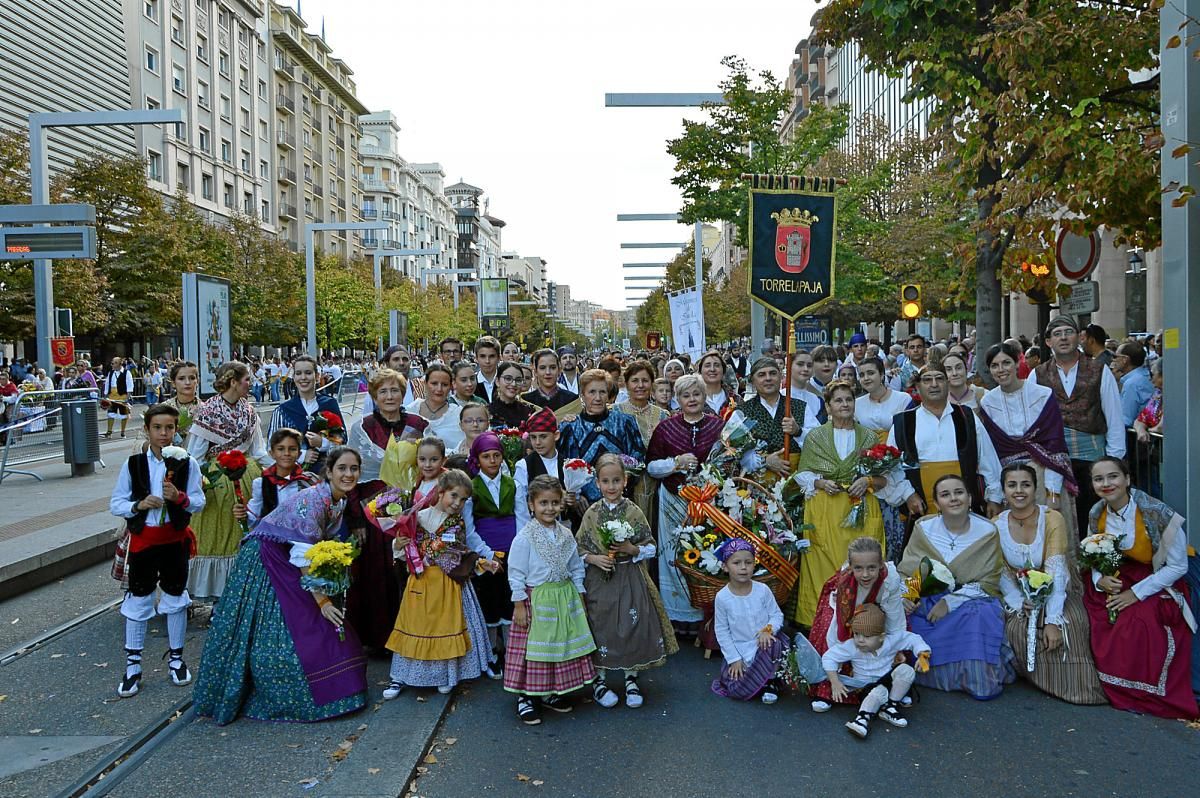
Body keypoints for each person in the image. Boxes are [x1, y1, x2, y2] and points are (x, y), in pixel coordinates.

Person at [193, 447, 369, 725]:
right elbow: (303, 554)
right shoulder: (314, 500)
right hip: (267, 558)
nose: (348, 474)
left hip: (289, 556)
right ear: (329, 472)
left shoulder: (338, 501)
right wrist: (322, 601)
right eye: (342, 469)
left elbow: (322, 547)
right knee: (291, 622)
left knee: (308, 620)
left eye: (354, 469)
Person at [1082, 457, 1198, 718]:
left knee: (1139, 620)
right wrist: (1100, 578)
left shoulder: (1157, 513)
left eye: (1113, 476)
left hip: (1159, 574)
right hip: (1121, 574)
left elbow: (1177, 567)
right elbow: (1092, 552)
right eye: (1099, 479)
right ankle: (1112, 685)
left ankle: (1146, 693)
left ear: (1128, 480)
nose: (1106, 483)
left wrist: (1135, 594)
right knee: (1098, 612)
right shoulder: (1096, 512)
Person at [110, 404, 206, 698]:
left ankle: (176, 659)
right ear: (147, 430)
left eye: (169, 428)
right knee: (139, 598)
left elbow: (199, 501)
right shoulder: (133, 464)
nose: (164, 434)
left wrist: (180, 497)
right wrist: (138, 505)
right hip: (144, 540)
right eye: (157, 428)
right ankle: (133, 665)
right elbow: (116, 503)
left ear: (177, 430)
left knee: (176, 597)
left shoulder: (187, 463)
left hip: (174, 539)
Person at [792, 381, 907, 626]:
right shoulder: (816, 436)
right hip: (825, 508)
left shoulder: (868, 436)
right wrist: (821, 484)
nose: (844, 404)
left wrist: (866, 481)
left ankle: (865, 622)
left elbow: (883, 479)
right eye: (838, 400)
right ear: (828, 406)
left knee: (861, 563)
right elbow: (803, 474)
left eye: (849, 400)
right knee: (823, 567)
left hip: (860, 508)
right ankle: (820, 624)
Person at [994, 464, 1107, 704]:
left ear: (1036, 489)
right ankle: (1043, 680)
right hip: (1018, 593)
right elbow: (1001, 572)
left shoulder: (1052, 518)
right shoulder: (995, 525)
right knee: (1018, 627)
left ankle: (1079, 689)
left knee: (1073, 623)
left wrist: (1052, 620)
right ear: (1003, 490)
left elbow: (1057, 570)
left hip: (1058, 587)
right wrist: (1018, 602)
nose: (1019, 491)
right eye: (1012, 485)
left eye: (1026, 484)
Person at [384, 469, 502, 698]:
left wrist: (481, 563)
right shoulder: (416, 517)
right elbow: (402, 553)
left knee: (446, 627)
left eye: (464, 499)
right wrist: (399, 544)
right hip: (422, 580)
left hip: (448, 584)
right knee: (416, 626)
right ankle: (400, 676)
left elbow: (460, 552)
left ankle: (443, 675)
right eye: (454, 496)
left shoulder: (456, 523)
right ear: (440, 492)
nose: (458, 503)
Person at [900, 474, 1015, 700]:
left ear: (970, 498)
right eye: (945, 494)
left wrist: (949, 602)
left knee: (978, 614)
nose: (953, 498)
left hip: (970, 597)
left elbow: (988, 581)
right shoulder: (924, 527)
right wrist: (908, 596)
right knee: (908, 616)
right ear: (936, 503)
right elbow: (912, 569)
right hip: (928, 595)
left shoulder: (987, 531)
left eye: (959, 492)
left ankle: (972, 679)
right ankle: (918, 673)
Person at [575, 454, 677, 708]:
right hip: (600, 579)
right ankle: (600, 680)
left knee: (631, 622)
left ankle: (631, 677)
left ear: (625, 481)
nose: (611, 486)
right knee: (601, 624)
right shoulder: (591, 513)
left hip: (629, 576)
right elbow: (578, 549)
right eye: (606, 481)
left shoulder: (633, 511)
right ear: (597, 483)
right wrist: (595, 559)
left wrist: (633, 550)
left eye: (616, 480)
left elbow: (651, 546)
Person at [504, 474, 597, 725]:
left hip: (563, 597)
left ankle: (549, 691)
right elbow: (516, 573)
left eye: (554, 503)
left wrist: (579, 593)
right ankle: (526, 696)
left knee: (558, 644)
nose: (549, 508)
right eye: (543, 503)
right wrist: (519, 604)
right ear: (531, 505)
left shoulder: (566, 534)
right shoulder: (525, 537)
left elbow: (576, 566)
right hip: (536, 599)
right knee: (533, 648)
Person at [646, 375, 726, 631]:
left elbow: (730, 460)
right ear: (677, 399)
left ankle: (708, 618)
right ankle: (677, 617)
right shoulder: (666, 428)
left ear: (704, 397)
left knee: (707, 553)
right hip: (672, 502)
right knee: (674, 556)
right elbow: (651, 466)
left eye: (696, 394)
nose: (692, 400)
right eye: (686, 395)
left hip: (708, 503)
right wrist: (675, 463)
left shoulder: (718, 426)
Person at [185, 362, 271, 599]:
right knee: (217, 534)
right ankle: (217, 596)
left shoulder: (249, 411)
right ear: (233, 381)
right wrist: (198, 482)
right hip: (217, 481)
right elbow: (195, 454)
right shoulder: (209, 410)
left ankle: (240, 590)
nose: (250, 384)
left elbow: (258, 450)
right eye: (246, 380)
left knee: (243, 531)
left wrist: (280, 469)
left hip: (247, 476)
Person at [1034, 316, 1125, 536]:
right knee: (1057, 521)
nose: (1063, 338)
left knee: (1095, 521)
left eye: (1068, 332)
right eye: (1057, 333)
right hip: (1052, 461)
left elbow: (1114, 418)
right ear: (1048, 342)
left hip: (1092, 460)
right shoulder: (1036, 375)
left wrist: (1113, 461)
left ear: (1079, 337)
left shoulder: (1099, 371)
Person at [888, 364, 1004, 519]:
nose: (934, 384)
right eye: (927, 380)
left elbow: (987, 458)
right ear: (917, 386)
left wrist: (994, 497)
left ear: (948, 383)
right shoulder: (903, 422)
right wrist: (908, 494)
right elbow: (892, 466)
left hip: (965, 506)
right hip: (921, 507)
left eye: (939, 379)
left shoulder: (966, 416)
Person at [978, 341, 1076, 517]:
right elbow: (992, 453)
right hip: (1009, 483)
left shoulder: (1042, 394)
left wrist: (1052, 492)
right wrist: (997, 495)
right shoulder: (987, 402)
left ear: (1017, 363)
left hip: (1044, 476)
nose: (1001, 369)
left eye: (1006, 363)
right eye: (994, 365)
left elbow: (1054, 445)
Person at [808, 537, 906, 712]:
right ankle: (828, 690)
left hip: (874, 607)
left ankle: (890, 686)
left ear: (881, 565)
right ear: (851, 567)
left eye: (871, 568)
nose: (866, 574)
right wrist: (836, 664)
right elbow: (838, 630)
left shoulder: (890, 581)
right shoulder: (844, 587)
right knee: (830, 631)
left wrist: (896, 648)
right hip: (842, 611)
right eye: (859, 568)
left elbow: (895, 618)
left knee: (879, 630)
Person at [821, 603, 930, 738]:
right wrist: (835, 682)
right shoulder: (851, 647)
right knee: (880, 690)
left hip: (888, 683)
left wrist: (922, 655)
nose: (860, 640)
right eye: (856, 634)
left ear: (881, 636)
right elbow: (829, 657)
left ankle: (890, 706)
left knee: (906, 670)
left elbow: (913, 639)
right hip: (865, 688)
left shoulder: (891, 641)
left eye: (867, 636)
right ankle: (862, 719)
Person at [710, 539, 787, 704]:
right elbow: (722, 631)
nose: (743, 567)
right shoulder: (722, 598)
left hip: (763, 645)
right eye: (736, 563)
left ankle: (770, 682)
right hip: (740, 650)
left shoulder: (762, 590)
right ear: (725, 567)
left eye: (748, 562)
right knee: (736, 689)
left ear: (754, 565)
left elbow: (776, 615)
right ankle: (755, 679)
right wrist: (734, 659)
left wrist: (768, 630)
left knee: (774, 644)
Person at [468, 432, 520, 665]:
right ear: (477, 459)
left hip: (512, 551)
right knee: (489, 599)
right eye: (486, 456)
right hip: (485, 554)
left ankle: (511, 649)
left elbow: (522, 518)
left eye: (496, 455)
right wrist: (488, 554)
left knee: (510, 598)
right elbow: (469, 529)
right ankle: (491, 652)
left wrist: (518, 549)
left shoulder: (513, 484)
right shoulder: (471, 487)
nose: (492, 461)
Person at [559, 369, 646, 501]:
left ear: (608, 395)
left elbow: (638, 458)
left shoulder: (625, 422)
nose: (598, 398)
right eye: (592, 392)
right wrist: (578, 496)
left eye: (602, 392)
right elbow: (565, 466)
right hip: (583, 506)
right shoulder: (570, 427)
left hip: (621, 499)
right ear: (582, 395)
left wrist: (619, 487)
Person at [739, 356, 816, 482]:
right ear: (753, 381)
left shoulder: (799, 406)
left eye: (773, 373)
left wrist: (798, 432)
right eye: (762, 375)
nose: (768, 378)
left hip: (795, 482)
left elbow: (819, 443)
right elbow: (732, 452)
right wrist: (764, 460)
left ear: (781, 377)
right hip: (756, 486)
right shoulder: (743, 411)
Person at [348, 368, 428, 483]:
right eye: (383, 391)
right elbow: (351, 468)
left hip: (414, 495)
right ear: (375, 398)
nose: (389, 397)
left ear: (403, 395)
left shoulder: (418, 423)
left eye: (395, 390)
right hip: (370, 496)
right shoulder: (362, 427)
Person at [268, 355, 344, 473]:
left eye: (308, 373)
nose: (303, 377)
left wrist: (323, 443)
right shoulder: (283, 410)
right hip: (293, 476)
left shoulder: (330, 404)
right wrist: (301, 455)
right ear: (294, 377)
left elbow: (343, 442)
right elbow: (271, 445)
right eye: (298, 373)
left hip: (326, 474)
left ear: (317, 376)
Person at [615, 360, 671, 524]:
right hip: (621, 485)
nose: (640, 385)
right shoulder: (614, 412)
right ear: (626, 384)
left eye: (645, 381)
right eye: (635, 381)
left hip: (655, 485)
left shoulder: (663, 416)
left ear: (652, 384)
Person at [237, 428, 320, 528]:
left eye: (292, 449)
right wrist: (243, 515)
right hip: (272, 539)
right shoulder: (262, 484)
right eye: (280, 449)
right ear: (272, 453)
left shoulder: (308, 482)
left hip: (303, 540)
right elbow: (254, 518)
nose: (286, 453)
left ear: (299, 454)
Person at [513, 407, 578, 531]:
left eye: (543, 436)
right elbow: (521, 508)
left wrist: (572, 502)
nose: (537, 442)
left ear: (556, 435)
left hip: (565, 528)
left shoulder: (568, 464)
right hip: (536, 528)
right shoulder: (524, 466)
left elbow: (574, 503)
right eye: (533, 437)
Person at [407, 363, 463, 451]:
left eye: (444, 384)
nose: (439, 389)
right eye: (434, 383)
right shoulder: (410, 411)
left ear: (450, 387)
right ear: (425, 383)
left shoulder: (459, 414)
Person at [522, 348, 580, 414]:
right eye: (542, 368)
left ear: (559, 370)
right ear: (535, 372)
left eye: (552, 367)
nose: (548, 372)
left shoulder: (572, 400)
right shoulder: (526, 401)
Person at [489, 361, 538, 430]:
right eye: (508, 379)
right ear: (497, 381)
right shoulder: (487, 411)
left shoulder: (529, 411)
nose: (513, 384)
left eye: (518, 380)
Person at [1114, 342, 1154, 428]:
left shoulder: (1132, 383)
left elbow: (1126, 419)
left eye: (1116, 356)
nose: (1114, 360)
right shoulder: (1145, 375)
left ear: (1125, 359)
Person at [696, 350, 739, 417]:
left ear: (723, 370)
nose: (712, 369)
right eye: (707, 366)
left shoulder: (736, 399)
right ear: (700, 371)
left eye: (717, 365)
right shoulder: (692, 400)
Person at [102, 356, 135, 438]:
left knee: (124, 415)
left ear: (120, 364)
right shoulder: (111, 373)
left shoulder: (127, 373)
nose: (112, 365)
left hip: (122, 396)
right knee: (110, 414)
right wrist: (106, 395)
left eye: (114, 363)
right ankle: (109, 432)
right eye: (112, 363)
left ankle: (123, 432)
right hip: (111, 396)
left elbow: (130, 385)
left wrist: (127, 397)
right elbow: (107, 383)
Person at [1134, 358, 1163, 442]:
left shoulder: (1181, 397)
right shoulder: (1157, 394)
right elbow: (1139, 420)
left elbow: (1161, 428)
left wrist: (1152, 430)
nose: (1150, 379)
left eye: (1152, 374)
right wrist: (1141, 430)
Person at [473, 336, 502, 403]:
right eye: (482, 356)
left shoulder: (505, 381)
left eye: (492, 356)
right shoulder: (471, 383)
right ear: (476, 358)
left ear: (499, 358)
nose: (487, 361)